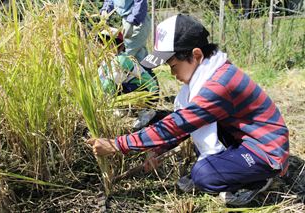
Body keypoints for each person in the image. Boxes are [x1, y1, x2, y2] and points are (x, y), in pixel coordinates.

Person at [88, 14, 289, 206]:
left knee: (204, 175)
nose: (172, 73)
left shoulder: (219, 85)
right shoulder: (211, 74)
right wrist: (159, 149)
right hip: (243, 137)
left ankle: (258, 179)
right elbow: (186, 123)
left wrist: (117, 145)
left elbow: (178, 124)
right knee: (201, 157)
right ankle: (238, 170)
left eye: (173, 65)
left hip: (266, 150)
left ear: (196, 55)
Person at [98, 27, 159, 128]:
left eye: (110, 43)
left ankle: (146, 111)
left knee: (111, 86)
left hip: (148, 93)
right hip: (130, 86)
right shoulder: (106, 61)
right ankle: (122, 109)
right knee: (113, 87)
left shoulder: (121, 60)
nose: (104, 46)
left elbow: (109, 84)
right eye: (102, 43)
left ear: (120, 46)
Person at [100, 0, 150, 65]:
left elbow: (140, 2)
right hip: (127, 19)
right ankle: (146, 72)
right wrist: (105, 9)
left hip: (138, 20)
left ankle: (137, 73)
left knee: (129, 53)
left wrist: (133, 20)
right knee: (139, 53)